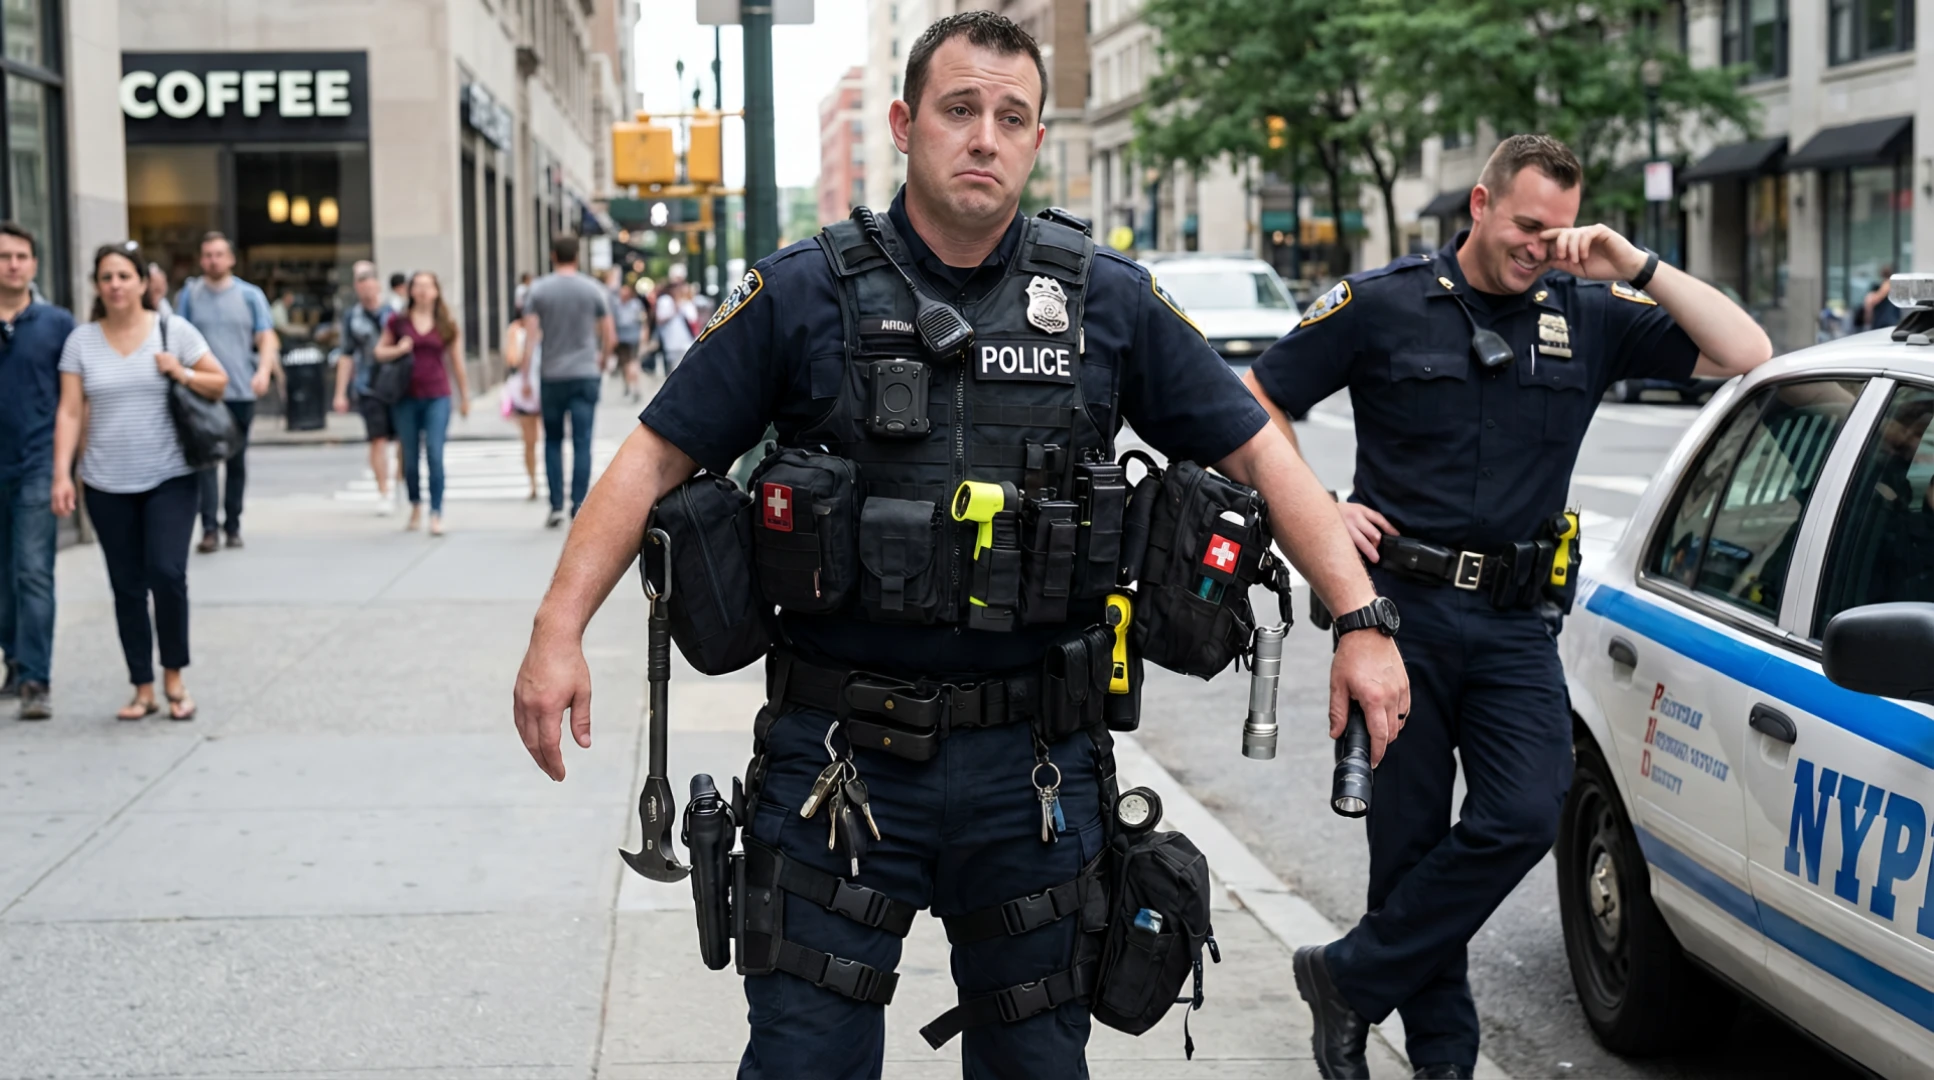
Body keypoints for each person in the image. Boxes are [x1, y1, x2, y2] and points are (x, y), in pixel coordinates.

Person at [510, 14, 1406, 1079]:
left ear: (1035, 141)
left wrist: (1357, 618)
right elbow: (650, 459)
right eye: (959, 109)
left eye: (1011, 117)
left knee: (1035, 1063)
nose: (984, 135)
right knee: (803, 1062)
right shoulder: (802, 290)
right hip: (836, 759)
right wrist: (555, 631)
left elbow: (1261, 456)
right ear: (904, 123)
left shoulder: (1103, 300)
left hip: (1031, 767)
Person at [1241, 134, 1774, 1080]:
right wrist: (1319, 508)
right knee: (1406, 850)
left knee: (1526, 814)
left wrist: (1633, 263)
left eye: (1560, 230)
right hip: (1396, 612)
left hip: (1518, 622)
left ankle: (1349, 979)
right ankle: (1445, 1059)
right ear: (1479, 204)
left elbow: (1746, 351)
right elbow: (1252, 399)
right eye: (1527, 224)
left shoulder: (1592, 309)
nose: (1542, 246)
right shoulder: (1381, 302)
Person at [52, 242, 228, 721]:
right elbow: (69, 411)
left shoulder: (173, 330)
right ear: (97, 285)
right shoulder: (81, 342)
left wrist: (182, 371)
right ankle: (142, 686)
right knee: (126, 586)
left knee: (168, 575)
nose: (115, 285)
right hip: (106, 482)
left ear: (142, 283)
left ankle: (174, 675)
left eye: (124, 276)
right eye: (107, 277)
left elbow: (220, 381)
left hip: (169, 476)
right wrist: (61, 474)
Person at [0, 222, 75, 721]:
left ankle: (35, 679)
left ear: (35, 264)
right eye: (4, 256)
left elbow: (73, 402)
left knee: (32, 571)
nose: (12, 264)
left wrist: (66, 470)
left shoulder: (57, 324)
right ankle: (14, 659)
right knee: (4, 576)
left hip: (36, 465)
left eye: (21, 256)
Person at [175, 231, 278, 554]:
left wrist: (263, 371)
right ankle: (209, 528)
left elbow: (267, 337)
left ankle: (233, 524)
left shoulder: (250, 296)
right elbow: (178, 338)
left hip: (240, 391)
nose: (213, 260)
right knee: (205, 461)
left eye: (219, 254)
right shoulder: (190, 295)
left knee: (236, 460)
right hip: (202, 392)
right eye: (207, 254)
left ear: (231, 259)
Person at [521, 235, 614, 528]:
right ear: (577, 256)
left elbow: (531, 336)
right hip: (585, 373)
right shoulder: (593, 289)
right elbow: (609, 333)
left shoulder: (538, 290)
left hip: (552, 374)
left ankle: (556, 505)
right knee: (583, 441)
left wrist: (525, 374)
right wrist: (602, 359)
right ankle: (579, 505)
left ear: (553, 255)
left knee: (552, 440)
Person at [377, 271, 470, 536]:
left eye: (427, 286)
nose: (422, 291)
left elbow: (456, 362)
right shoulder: (398, 322)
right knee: (409, 457)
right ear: (410, 291)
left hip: (437, 396)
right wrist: (398, 349)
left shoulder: (446, 324)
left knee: (435, 453)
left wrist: (464, 396)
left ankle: (436, 512)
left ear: (436, 291)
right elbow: (379, 351)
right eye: (417, 286)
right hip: (405, 396)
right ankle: (416, 504)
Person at [332, 261, 402, 514]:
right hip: (368, 385)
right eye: (360, 281)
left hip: (397, 383)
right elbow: (346, 355)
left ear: (378, 283)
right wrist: (340, 393)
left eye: (368, 279)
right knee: (377, 440)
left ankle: (401, 483)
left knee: (404, 439)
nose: (365, 286)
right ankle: (384, 491)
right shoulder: (353, 317)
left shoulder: (395, 311)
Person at [503, 307, 543, 500]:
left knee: (549, 439)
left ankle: (547, 481)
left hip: (547, 386)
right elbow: (511, 359)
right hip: (525, 392)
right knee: (530, 440)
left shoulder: (546, 329)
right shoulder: (516, 330)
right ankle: (533, 482)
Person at [612, 280, 647, 402]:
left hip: (631, 339)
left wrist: (643, 335)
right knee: (626, 364)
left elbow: (642, 321)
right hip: (621, 339)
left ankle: (634, 387)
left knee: (630, 364)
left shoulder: (635, 305)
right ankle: (630, 386)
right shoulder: (616, 305)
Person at [654, 278, 698, 372]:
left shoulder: (687, 303)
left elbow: (693, 321)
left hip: (687, 342)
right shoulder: (665, 301)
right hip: (671, 342)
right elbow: (659, 319)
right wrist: (674, 309)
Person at [1858, 263, 1902, 333]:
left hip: (1885, 321)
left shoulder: (1887, 285)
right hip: (1887, 320)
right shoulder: (1889, 285)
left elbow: (1872, 301)